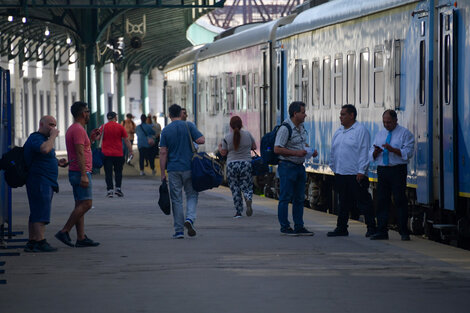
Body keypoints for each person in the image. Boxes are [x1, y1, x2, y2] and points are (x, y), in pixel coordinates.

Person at [327, 104, 377, 237]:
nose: (340, 117)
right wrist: (333, 167)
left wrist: (361, 170)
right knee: (342, 202)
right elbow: (334, 150)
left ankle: (371, 227)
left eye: (343, 114)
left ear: (351, 115)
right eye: (340, 114)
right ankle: (341, 227)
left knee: (363, 202)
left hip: (356, 174)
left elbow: (364, 152)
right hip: (341, 173)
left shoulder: (360, 131)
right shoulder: (339, 132)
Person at [55, 101, 100, 248]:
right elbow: (80, 153)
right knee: (87, 204)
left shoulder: (73, 129)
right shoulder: (79, 130)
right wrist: (84, 175)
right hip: (81, 172)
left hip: (75, 170)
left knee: (79, 204)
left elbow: (79, 150)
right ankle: (64, 230)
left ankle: (81, 238)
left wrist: (91, 139)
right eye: (87, 111)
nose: (88, 114)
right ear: (83, 113)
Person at [23, 116, 68, 252]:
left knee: (36, 211)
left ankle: (32, 241)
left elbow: (46, 154)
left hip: (45, 179)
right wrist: (53, 137)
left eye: (54, 125)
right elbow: (44, 149)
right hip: (39, 180)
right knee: (41, 211)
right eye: (50, 125)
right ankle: (40, 241)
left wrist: (57, 162)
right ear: (41, 124)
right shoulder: (36, 138)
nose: (53, 128)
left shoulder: (44, 139)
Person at [160, 104, 205, 239]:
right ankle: (190, 219)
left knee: (176, 199)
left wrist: (163, 173)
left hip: (173, 169)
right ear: (181, 113)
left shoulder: (166, 130)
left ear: (169, 115)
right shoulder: (188, 125)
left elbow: (163, 152)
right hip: (189, 168)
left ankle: (179, 231)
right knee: (192, 195)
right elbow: (201, 140)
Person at [369, 109, 415, 241]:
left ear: (396, 120)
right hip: (383, 170)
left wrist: (393, 150)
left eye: (389, 122)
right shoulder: (380, 134)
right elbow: (371, 151)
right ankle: (382, 230)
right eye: (384, 122)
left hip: (397, 170)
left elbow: (408, 152)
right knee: (382, 200)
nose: (386, 125)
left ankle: (403, 231)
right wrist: (375, 152)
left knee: (400, 199)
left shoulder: (405, 134)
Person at [274, 101, 317, 236]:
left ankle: (299, 226)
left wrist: (309, 150)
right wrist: (296, 153)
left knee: (299, 198)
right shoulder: (285, 128)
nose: (305, 115)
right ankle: (285, 226)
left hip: (299, 167)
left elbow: (301, 143)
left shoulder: (301, 127)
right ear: (295, 113)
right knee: (285, 197)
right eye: (303, 112)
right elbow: (277, 148)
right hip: (287, 166)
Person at [218, 116, 257, 218]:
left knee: (235, 188)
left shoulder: (227, 138)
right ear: (241, 125)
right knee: (247, 186)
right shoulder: (248, 134)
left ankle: (238, 212)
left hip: (232, 165)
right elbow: (254, 147)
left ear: (230, 126)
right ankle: (248, 198)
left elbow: (223, 153)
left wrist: (220, 147)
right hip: (246, 163)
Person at [98, 111, 133, 198]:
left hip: (106, 154)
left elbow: (98, 138)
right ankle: (118, 189)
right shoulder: (120, 127)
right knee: (118, 172)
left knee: (108, 173)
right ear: (115, 117)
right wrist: (131, 151)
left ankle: (110, 190)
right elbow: (126, 140)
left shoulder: (103, 127)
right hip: (118, 154)